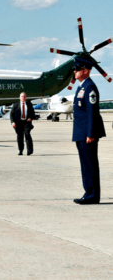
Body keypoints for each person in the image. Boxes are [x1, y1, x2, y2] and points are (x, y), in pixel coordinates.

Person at [71, 57, 106, 205]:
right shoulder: (81, 86)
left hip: (87, 133)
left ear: (86, 71)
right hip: (81, 132)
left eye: (78, 69)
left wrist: (90, 134)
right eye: (75, 69)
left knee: (90, 164)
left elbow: (92, 112)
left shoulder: (90, 87)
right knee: (85, 164)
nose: (75, 71)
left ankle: (92, 195)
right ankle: (88, 192)